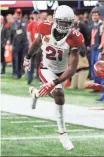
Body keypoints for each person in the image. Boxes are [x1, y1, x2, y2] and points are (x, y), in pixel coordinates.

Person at [23, 5, 84, 150]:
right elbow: (38, 42)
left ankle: (35, 94)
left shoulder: (75, 38)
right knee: (59, 95)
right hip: (46, 68)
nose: (64, 26)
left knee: (55, 93)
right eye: (61, 22)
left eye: (67, 23)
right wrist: (27, 57)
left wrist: (55, 82)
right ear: (55, 20)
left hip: (62, 72)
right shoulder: (44, 27)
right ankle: (63, 133)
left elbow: (72, 68)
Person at [10, 8, 28, 78]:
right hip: (16, 44)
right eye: (17, 13)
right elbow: (11, 35)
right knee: (15, 59)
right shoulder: (13, 23)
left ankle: (20, 73)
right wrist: (11, 44)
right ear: (15, 14)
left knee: (21, 59)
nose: (18, 15)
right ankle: (15, 73)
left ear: (21, 14)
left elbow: (25, 32)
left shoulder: (24, 22)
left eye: (19, 13)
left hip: (23, 44)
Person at [27, 10, 41, 84]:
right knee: (31, 62)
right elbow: (28, 34)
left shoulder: (40, 23)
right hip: (33, 45)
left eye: (36, 14)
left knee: (39, 62)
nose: (35, 15)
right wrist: (30, 43)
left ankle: (38, 77)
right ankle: (30, 77)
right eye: (34, 14)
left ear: (38, 15)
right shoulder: (31, 24)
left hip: (39, 46)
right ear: (33, 15)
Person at [90, 10, 103, 90]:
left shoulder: (101, 26)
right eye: (93, 15)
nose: (94, 17)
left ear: (99, 16)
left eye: (96, 15)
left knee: (98, 67)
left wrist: (101, 50)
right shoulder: (93, 26)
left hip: (99, 50)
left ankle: (100, 86)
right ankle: (96, 86)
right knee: (93, 67)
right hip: (93, 49)